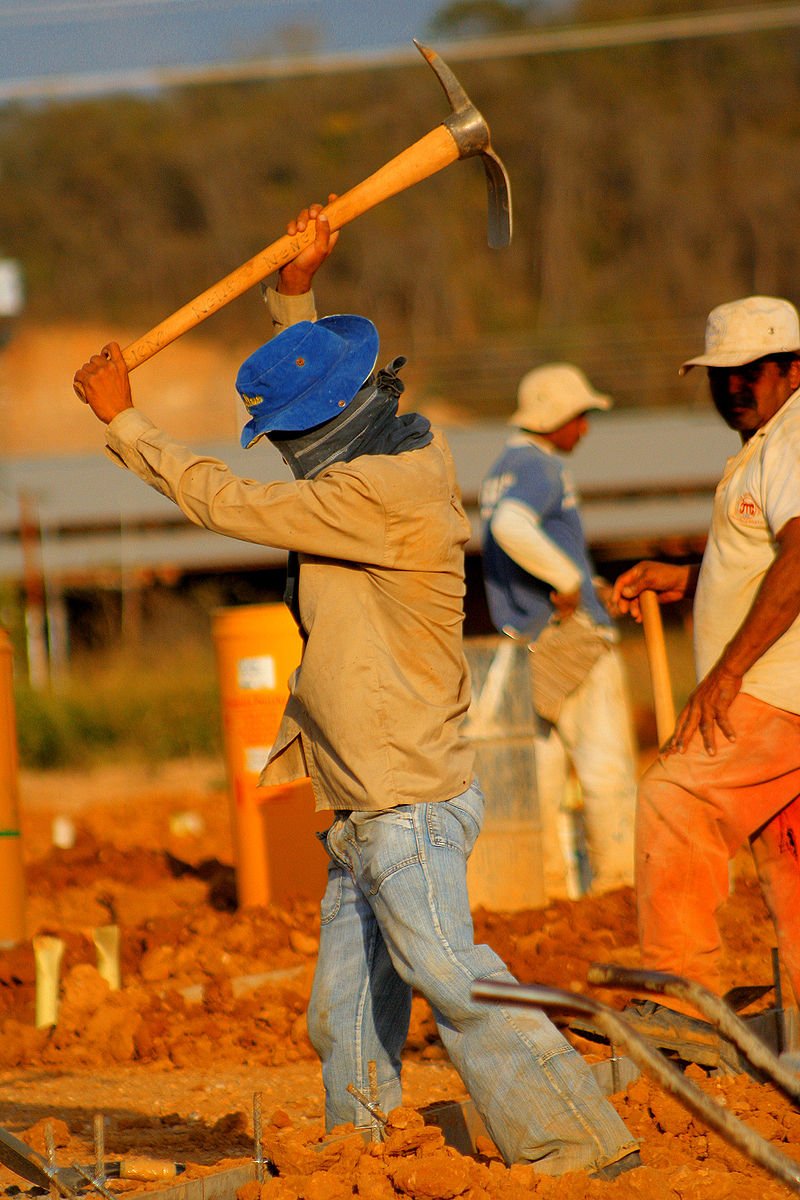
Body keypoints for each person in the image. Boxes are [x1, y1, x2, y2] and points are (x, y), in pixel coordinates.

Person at [73, 204, 639, 1178]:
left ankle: (582, 1150)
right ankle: (359, 1159)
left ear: (328, 432)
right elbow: (318, 392)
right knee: (343, 1015)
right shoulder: (391, 452)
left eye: (290, 436)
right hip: (367, 799)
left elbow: (228, 500)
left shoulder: (373, 496)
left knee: (454, 979)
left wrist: (127, 423)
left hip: (403, 797)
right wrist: (296, 296)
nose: (284, 451)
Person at [611, 294, 800, 1016]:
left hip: (774, 690)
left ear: (793, 370)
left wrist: (727, 672)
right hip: (777, 690)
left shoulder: (793, 437)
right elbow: (763, 565)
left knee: (676, 799)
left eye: (751, 372)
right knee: (790, 867)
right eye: (722, 375)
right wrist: (689, 579)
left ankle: (681, 1000)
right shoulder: (768, 442)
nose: (733, 387)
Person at [480, 364, 637, 898]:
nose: (585, 428)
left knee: (541, 777)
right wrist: (569, 582)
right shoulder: (541, 467)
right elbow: (511, 526)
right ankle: (618, 885)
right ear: (556, 418)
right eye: (580, 416)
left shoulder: (502, 467)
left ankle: (548, 892)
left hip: (526, 645)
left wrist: (588, 582)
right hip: (571, 641)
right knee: (605, 767)